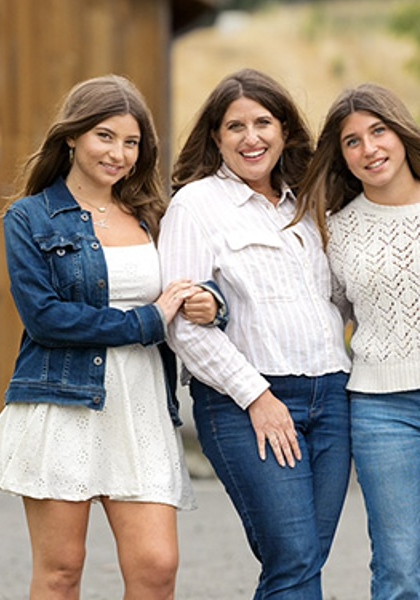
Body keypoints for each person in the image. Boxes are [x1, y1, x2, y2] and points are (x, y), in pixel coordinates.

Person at [0, 75, 219, 600]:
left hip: (141, 409)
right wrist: (145, 322)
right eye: (104, 136)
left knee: (156, 569)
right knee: (62, 572)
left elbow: (201, 285)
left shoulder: (155, 216)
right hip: (62, 401)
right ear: (72, 137)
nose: (119, 153)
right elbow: (45, 318)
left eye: (131, 142)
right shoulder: (30, 218)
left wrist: (210, 304)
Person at [296, 83, 420, 600]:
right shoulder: (335, 230)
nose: (370, 149)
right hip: (379, 410)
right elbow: (327, 312)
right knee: (397, 567)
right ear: (341, 157)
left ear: (402, 133)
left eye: (378, 131)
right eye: (353, 142)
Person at [159, 68, 352, 599]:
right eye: (235, 126)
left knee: (304, 560)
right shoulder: (195, 206)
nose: (251, 138)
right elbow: (182, 325)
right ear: (216, 138)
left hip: (332, 397)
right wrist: (258, 397)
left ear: (284, 130)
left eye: (263, 122)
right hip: (248, 403)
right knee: (293, 558)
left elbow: (338, 301)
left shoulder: (311, 204)